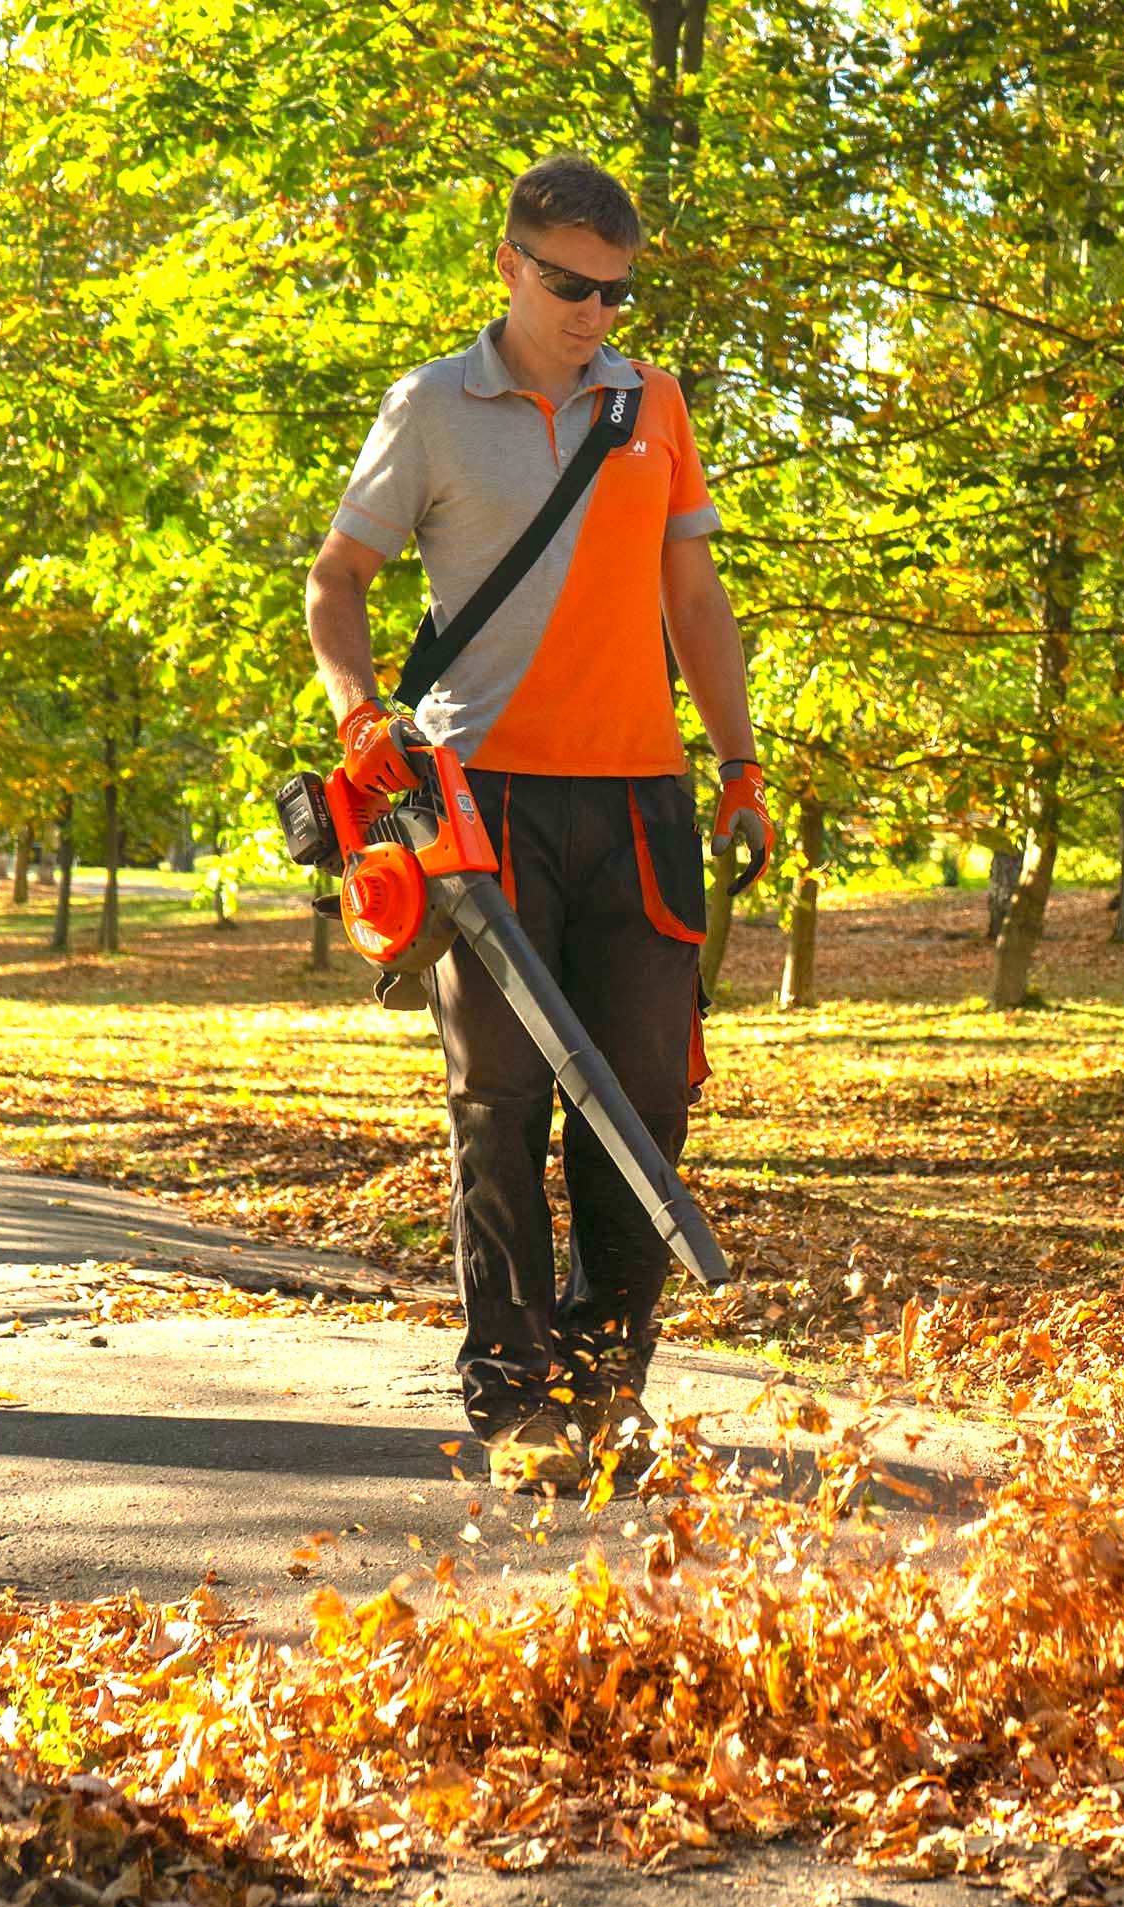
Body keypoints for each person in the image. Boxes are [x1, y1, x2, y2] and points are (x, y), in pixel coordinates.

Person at [304, 153, 772, 1494]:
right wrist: (358, 716)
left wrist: (736, 763)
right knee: (499, 1096)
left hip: (640, 800)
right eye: (571, 285)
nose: (595, 314)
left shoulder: (653, 402)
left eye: (617, 293)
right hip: (479, 801)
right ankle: (511, 1384)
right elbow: (338, 580)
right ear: (507, 263)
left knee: (640, 1099)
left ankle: (606, 1376)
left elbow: (696, 598)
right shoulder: (434, 408)